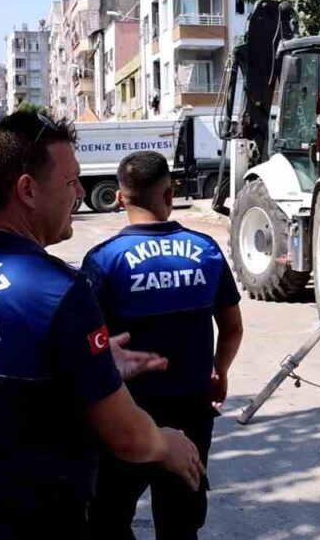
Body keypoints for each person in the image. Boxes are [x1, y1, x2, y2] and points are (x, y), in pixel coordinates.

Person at [0, 111, 204, 538]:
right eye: (71, 183)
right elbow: (126, 437)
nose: (80, 194)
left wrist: (92, 362)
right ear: (27, 190)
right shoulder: (58, 291)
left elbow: (4, 363)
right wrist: (167, 443)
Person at [83, 150, 243, 539]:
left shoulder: (103, 261)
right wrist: (219, 370)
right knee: (181, 523)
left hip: (125, 417)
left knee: (108, 518)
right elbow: (233, 327)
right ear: (170, 194)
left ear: (120, 199)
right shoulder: (205, 251)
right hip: (191, 412)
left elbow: (88, 346)